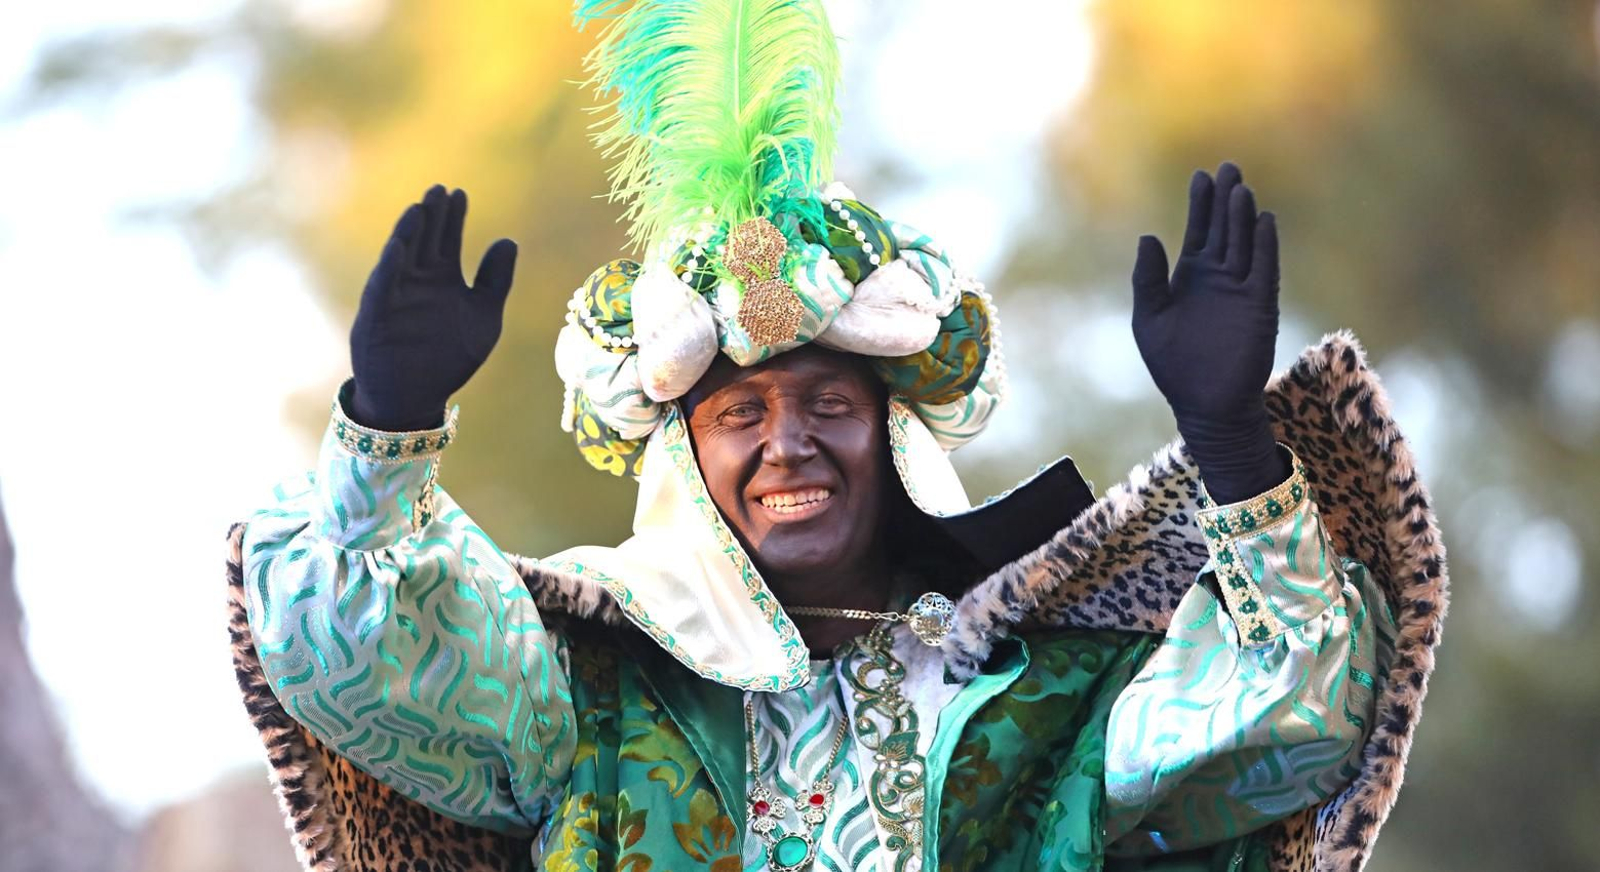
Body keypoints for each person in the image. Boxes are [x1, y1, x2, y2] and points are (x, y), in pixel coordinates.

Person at [227, 3, 1447, 871]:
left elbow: (1295, 723)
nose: (789, 444)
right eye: (738, 413)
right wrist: (387, 426)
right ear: (684, 462)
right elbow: (357, 657)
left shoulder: (1033, 699)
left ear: (893, 431)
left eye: (827, 404)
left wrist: (1230, 442)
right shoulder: (590, 700)